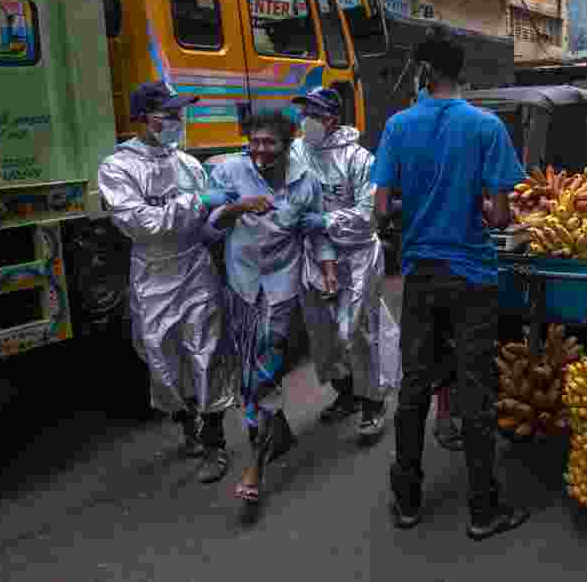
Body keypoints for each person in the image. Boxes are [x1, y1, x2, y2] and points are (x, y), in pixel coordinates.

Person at [372, 27, 530, 541]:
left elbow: (380, 209)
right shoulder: (486, 127)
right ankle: (484, 510)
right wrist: (479, 208)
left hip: (421, 274)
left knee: (415, 384)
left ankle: (407, 499)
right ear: (460, 73)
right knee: (475, 388)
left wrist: (414, 209)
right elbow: (502, 215)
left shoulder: (397, 126)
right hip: (473, 276)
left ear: (424, 73)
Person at [97, 81, 238, 484]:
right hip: (153, 275)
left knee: (206, 352)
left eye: (180, 113)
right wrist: (198, 203)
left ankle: (214, 442)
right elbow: (143, 225)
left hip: (194, 268)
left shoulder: (189, 165)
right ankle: (186, 423)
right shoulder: (117, 168)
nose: (178, 120)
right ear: (142, 118)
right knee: (162, 358)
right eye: (169, 113)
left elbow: (206, 221)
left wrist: (223, 221)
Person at [207, 110, 338, 507]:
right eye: (255, 141)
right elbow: (207, 229)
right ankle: (273, 429)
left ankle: (255, 465)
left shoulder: (305, 181)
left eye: (270, 142)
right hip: (242, 285)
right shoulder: (230, 171)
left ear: (286, 145)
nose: (260, 149)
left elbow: (316, 235)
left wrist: (329, 271)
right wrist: (237, 208)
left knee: (264, 369)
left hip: (281, 287)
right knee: (248, 374)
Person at [290, 87, 390, 438]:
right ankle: (345, 393)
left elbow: (368, 213)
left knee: (358, 331)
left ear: (332, 119)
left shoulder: (361, 159)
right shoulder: (297, 152)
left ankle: (372, 402)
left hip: (356, 254)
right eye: (304, 115)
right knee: (323, 334)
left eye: (314, 115)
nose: (307, 122)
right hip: (314, 254)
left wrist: (328, 222)